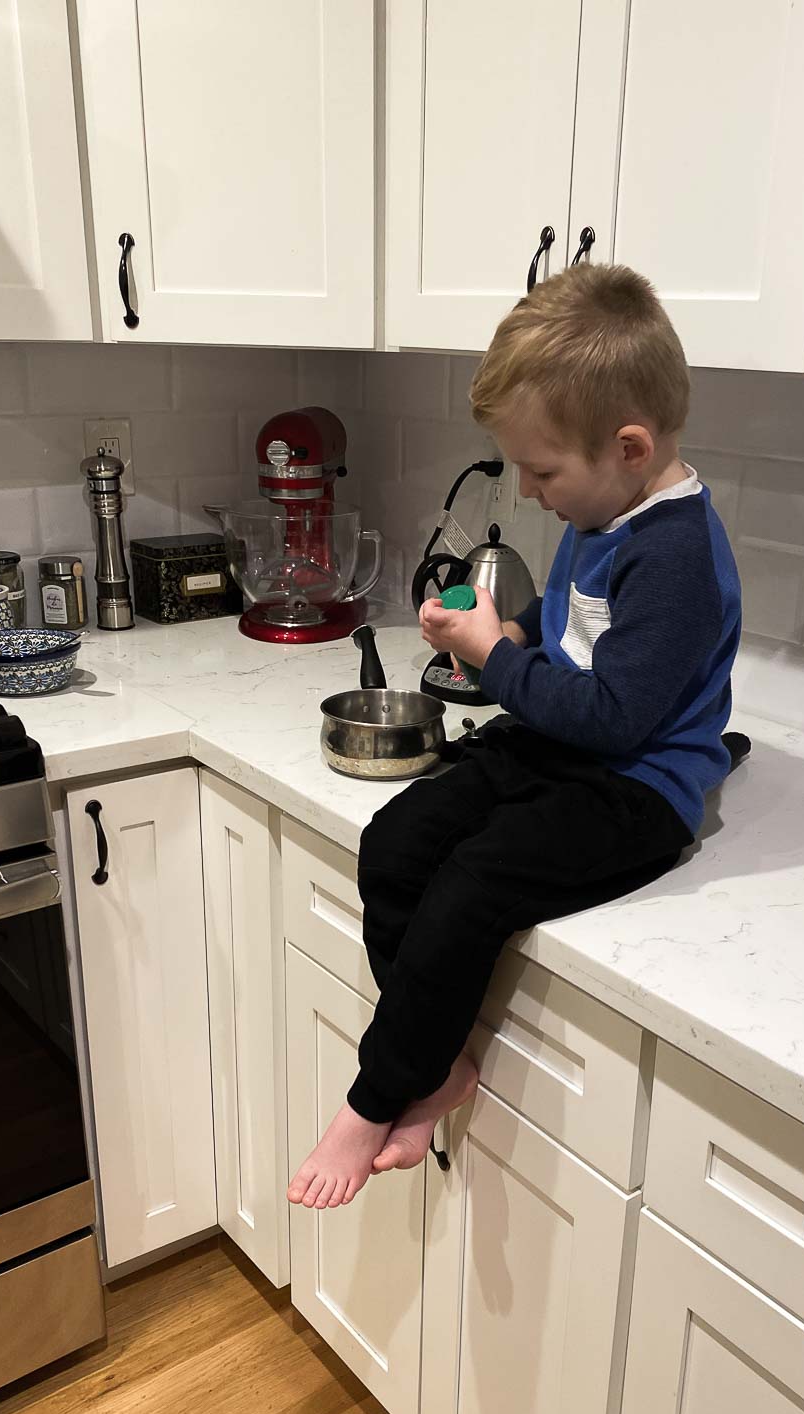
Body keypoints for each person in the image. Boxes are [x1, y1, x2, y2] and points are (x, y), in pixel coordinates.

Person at [288, 263, 742, 1210]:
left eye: (543, 472)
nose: (531, 495)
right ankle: (437, 1066)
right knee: (395, 844)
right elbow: (578, 643)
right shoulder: (604, 505)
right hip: (563, 750)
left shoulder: (678, 555)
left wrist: (498, 658)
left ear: (629, 446)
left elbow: (618, 717)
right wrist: (511, 636)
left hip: (637, 788)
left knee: (472, 885)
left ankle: (374, 1097)